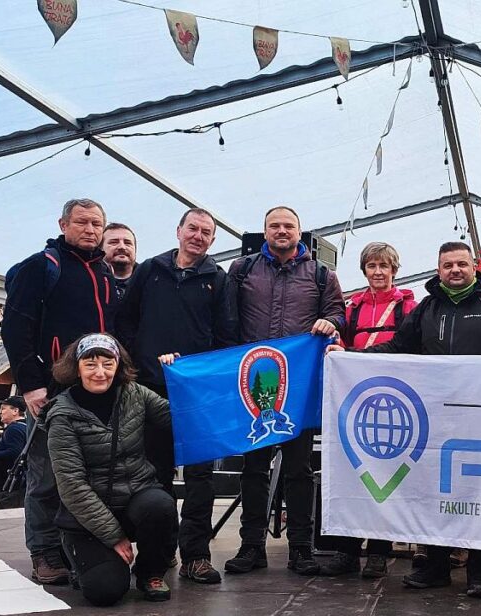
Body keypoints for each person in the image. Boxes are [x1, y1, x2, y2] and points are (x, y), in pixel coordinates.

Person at [331, 241, 481, 598]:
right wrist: (350, 356)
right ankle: (436, 567)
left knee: (478, 493)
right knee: (435, 492)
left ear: (473, 267)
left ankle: (478, 572)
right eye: (448, 265)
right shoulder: (427, 309)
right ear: (439, 270)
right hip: (435, 419)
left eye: (461, 264)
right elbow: (397, 347)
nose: (455, 270)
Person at [115, 208, 238, 585]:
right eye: (193, 229)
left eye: (206, 232)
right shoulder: (149, 270)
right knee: (156, 473)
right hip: (150, 387)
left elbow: (226, 336)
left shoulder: (218, 279)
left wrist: (203, 374)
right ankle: (161, 549)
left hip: (197, 394)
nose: (198, 236)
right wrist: (140, 361)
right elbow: (126, 321)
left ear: (212, 240)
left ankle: (196, 555)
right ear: (179, 230)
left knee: (201, 476)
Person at [224, 206, 345, 577]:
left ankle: (301, 549)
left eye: (288, 225)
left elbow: (338, 313)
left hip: (297, 388)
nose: (281, 230)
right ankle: (251, 546)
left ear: (299, 231)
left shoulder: (322, 274)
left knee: (299, 470)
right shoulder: (241, 270)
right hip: (252, 385)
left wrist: (330, 322)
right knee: (253, 469)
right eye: (274, 225)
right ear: (264, 232)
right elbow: (227, 320)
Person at [2, 198, 118, 585]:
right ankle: (44, 552)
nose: (90, 229)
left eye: (96, 224)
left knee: (85, 475)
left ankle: (73, 548)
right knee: (46, 475)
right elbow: (14, 327)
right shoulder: (41, 266)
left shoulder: (104, 273)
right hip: (50, 391)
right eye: (81, 222)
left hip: (95, 392)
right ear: (63, 224)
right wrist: (31, 385)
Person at [44, 333, 176, 605]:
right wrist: (114, 537)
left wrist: (175, 377)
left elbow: (179, 418)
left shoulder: (135, 393)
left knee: (161, 505)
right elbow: (71, 484)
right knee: (105, 591)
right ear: (76, 368)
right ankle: (82, 560)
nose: (100, 372)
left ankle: (151, 573)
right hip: (87, 517)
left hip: (135, 496)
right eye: (90, 364)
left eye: (108, 364)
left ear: (118, 365)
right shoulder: (62, 415)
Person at [318, 242, 417, 579]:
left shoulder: (408, 306)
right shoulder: (353, 307)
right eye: (372, 266)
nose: (378, 272)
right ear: (364, 270)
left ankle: (378, 551)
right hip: (355, 399)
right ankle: (346, 551)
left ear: (394, 270)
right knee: (351, 475)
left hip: (392, 400)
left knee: (385, 478)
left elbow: (412, 346)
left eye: (384, 266)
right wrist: (337, 346)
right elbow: (342, 342)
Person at [102, 224, 138, 299]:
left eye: (127, 243)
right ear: (100, 249)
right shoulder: (89, 282)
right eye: (114, 242)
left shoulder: (150, 282)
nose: (122, 247)